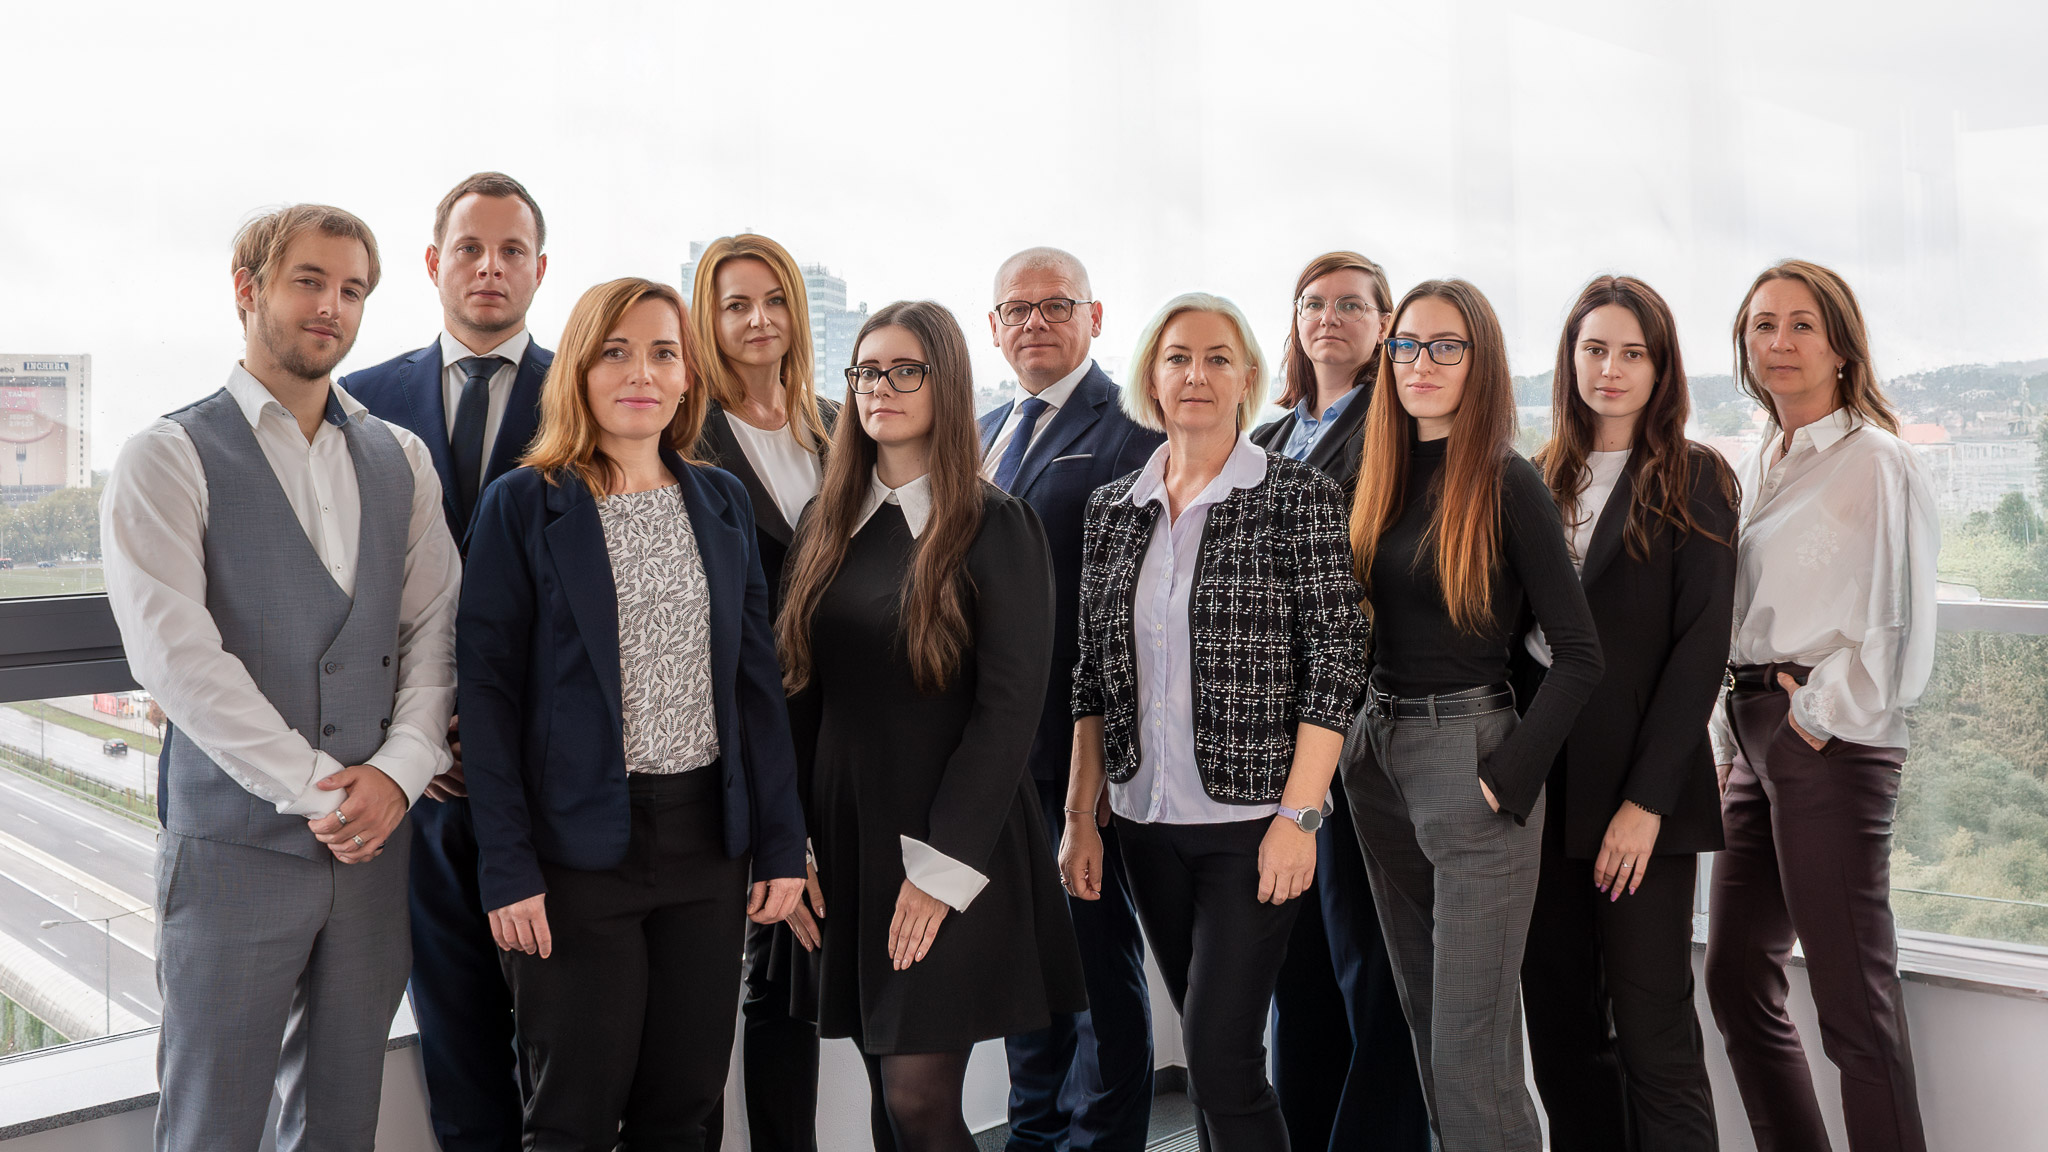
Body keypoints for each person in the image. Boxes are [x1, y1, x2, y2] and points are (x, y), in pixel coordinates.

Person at [101, 203, 461, 1151]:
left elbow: (434, 633)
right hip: (233, 854)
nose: (332, 306)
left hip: (375, 854)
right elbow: (177, 660)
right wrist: (323, 790)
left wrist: (400, 774)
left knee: (341, 1123)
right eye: (309, 281)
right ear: (247, 289)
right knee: (211, 1127)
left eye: (352, 290)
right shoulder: (165, 457)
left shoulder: (402, 459)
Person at [458, 277, 807, 1150]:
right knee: (571, 1118)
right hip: (573, 854)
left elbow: (755, 689)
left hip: (708, 846)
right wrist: (506, 864)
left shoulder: (720, 501)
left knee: (683, 1113)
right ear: (579, 370)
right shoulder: (521, 504)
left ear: (689, 376)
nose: (640, 373)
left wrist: (780, 841)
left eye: (662, 353)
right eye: (615, 353)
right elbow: (488, 700)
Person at [778, 300, 1085, 1152]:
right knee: (888, 1092)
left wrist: (941, 868)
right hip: (846, 838)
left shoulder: (997, 524)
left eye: (905, 370)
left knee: (918, 1097)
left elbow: (1009, 711)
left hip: (953, 841)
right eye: (866, 371)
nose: (880, 387)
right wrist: (792, 842)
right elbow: (797, 696)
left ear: (945, 383)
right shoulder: (823, 523)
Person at [1064, 293, 1367, 1152]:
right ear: (1151, 378)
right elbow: (1091, 672)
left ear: (1246, 377)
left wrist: (1299, 816)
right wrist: (1080, 817)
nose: (1195, 374)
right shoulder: (1112, 508)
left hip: (1253, 825)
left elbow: (1336, 662)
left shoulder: (1296, 496)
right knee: (1211, 1063)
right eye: (1177, 358)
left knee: (1220, 1056)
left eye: (1217, 357)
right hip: (1144, 824)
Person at [1341, 278, 1602, 1152]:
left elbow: (1580, 654)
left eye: (1445, 346)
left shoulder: (1506, 480)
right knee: (1425, 1022)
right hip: (1378, 760)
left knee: (1471, 1055)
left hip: (1470, 762)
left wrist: (1508, 780)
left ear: (1478, 361)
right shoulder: (1378, 474)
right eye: (1407, 345)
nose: (1421, 363)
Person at [1704, 259, 1938, 1152]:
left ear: (1841, 346)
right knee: (1734, 980)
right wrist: (1733, 738)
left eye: (1802, 324)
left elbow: (1899, 624)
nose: (1780, 342)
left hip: (1827, 740)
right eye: (1762, 326)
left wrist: (1814, 719)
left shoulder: (1876, 461)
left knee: (1854, 1006)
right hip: (1753, 735)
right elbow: (1737, 616)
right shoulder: (1758, 459)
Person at [340, 170, 552, 1152]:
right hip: (419, 787)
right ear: (433, 263)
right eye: (470, 248)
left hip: (553, 784)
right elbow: (341, 589)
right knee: (458, 1046)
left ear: (541, 269)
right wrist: (418, 738)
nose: (490, 268)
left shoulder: (591, 394)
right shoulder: (360, 401)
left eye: (512, 251)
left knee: (568, 1053)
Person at [1514, 276, 1736, 1151]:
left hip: (1643, 794)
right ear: (1569, 360)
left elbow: (1700, 652)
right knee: (1561, 1030)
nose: (1611, 368)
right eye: (1595, 349)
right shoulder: (1536, 477)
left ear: (1661, 367)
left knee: (1654, 1034)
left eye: (1632, 353)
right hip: (1543, 789)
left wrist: (1645, 804)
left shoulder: (1696, 476)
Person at [979, 246, 1162, 1152]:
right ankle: (1035, 1132)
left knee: (1094, 964)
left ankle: (1101, 1139)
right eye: (1018, 309)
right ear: (993, 327)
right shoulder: (978, 432)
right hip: (997, 749)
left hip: (1082, 746)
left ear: (1095, 317)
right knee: (1025, 960)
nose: (1036, 323)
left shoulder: (1132, 431)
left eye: (1056, 305)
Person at [1252, 251, 1429, 1152]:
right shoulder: (1268, 436)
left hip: (1358, 734)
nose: (1329, 317)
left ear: (1385, 324)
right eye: (1313, 303)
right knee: (1296, 970)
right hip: (1272, 740)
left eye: (1352, 305)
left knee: (1370, 963)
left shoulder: (1399, 433)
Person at [686, 232, 840, 1152]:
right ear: (707, 319)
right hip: (737, 731)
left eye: (774, 300)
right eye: (735, 304)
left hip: (837, 728)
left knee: (802, 966)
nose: (758, 320)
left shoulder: (837, 425)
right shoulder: (685, 435)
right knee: (748, 971)